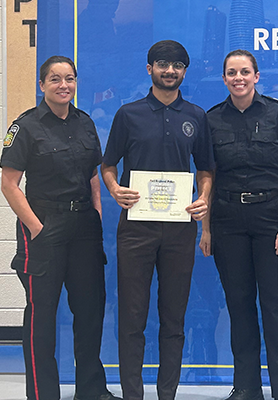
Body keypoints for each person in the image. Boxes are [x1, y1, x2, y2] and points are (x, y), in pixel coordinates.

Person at [0, 56, 120, 400]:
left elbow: (93, 175)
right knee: (42, 320)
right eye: (55, 79)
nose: (63, 85)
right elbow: (9, 184)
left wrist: (96, 215)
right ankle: (42, 393)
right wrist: (36, 228)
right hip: (44, 227)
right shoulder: (25, 127)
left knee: (90, 312)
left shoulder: (85, 123)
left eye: (69, 79)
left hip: (83, 226)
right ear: (42, 85)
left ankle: (92, 390)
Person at [100, 40, 214, 400]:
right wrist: (115, 189)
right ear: (149, 69)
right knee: (132, 316)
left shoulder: (196, 116)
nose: (170, 70)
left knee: (174, 317)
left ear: (184, 71)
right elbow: (107, 165)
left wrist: (203, 198)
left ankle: (168, 394)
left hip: (180, 229)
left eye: (177, 65)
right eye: (162, 64)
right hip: (136, 228)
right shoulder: (128, 114)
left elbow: (206, 169)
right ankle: (133, 394)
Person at [201, 49, 278, 400]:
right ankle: (246, 388)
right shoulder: (212, 119)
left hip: (272, 220)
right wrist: (206, 229)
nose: (238, 78)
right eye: (231, 72)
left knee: (277, 311)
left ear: (257, 76)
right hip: (228, 221)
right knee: (239, 307)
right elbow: (209, 177)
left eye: (245, 71)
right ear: (224, 78)